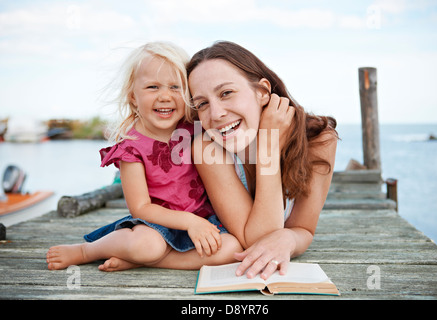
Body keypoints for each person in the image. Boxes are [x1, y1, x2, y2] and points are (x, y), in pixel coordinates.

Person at [46, 42, 241, 271]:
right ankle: (86, 250)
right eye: (153, 87)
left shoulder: (194, 129)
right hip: (155, 226)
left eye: (175, 87)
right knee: (147, 246)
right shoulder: (132, 146)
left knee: (232, 247)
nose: (165, 96)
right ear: (133, 97)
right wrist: (189, 222)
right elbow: (140, 207)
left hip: (202, 220)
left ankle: (141, 261)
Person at [186, 41, 338, 280]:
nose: (216, 114)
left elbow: (304, 229)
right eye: (202, 104)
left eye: (226, 93)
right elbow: (256, 240)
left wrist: (288, 238)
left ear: (262, 92)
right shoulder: (207, 147)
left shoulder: (319, 140)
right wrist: (269, 146)